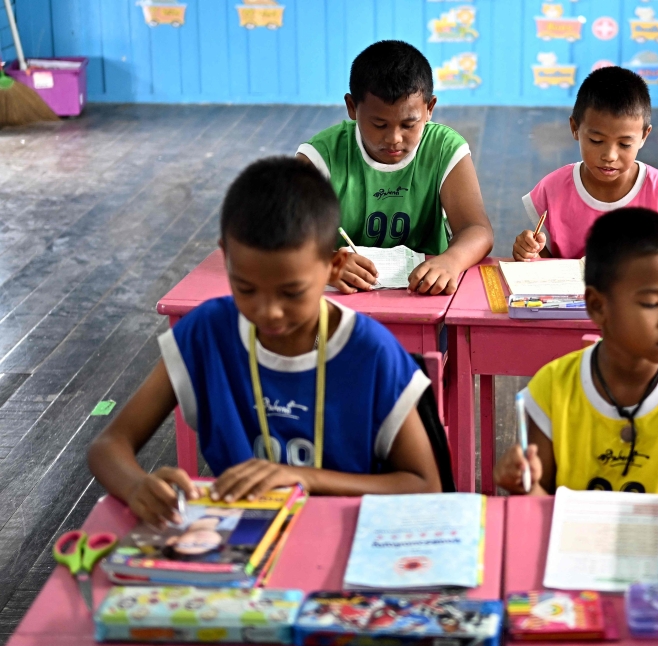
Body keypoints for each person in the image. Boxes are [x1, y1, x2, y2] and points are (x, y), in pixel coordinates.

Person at [88, 157, 442, 529]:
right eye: (246, 288)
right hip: (243, 551)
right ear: (226, 257)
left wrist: (304, 478)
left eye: (292, 292)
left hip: (345, 550)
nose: (270, 312)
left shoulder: (371, 354)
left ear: (334, 267)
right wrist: (137, 486)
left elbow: (424, 486)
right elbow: (108, 446)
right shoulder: (206, 334)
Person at [495, 208, 658, 495]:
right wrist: (524, 486)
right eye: (651, 302)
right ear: (599, 306)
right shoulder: (552, 389)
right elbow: (543, 505)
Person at [296, 40, 493, 295]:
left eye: (409, 125)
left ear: (429, 108)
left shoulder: (444, 148)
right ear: (352, 107)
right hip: (342, 299)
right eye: (379, 125)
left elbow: (477, 229)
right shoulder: (321, 157)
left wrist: (451, 260)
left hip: (424, 296)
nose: (394, 139)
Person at [513, 66, 658, 262]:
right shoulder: (553, 189)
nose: (609, 156)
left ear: (644, 136)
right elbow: (544, 263)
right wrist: (530, 252)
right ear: (575, 128)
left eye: (625, 144)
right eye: (596, 141)